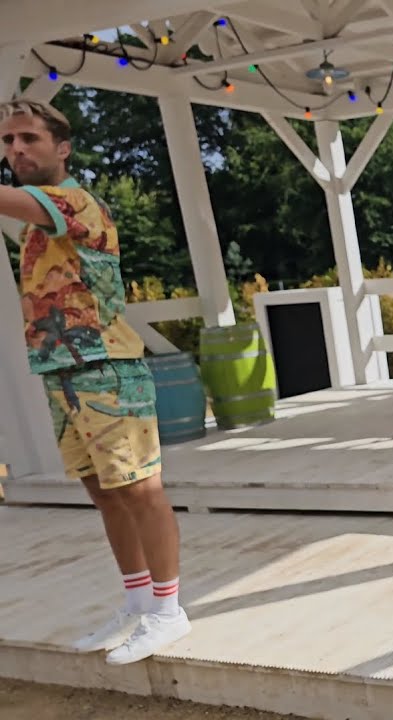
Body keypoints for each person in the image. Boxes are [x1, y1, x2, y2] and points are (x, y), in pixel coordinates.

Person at [0, 99, 191, 664]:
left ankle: (168, 611)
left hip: (107, 366)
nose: (15, 151)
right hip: (66, 370)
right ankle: (137, 603)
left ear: (62, 149)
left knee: (139, 489)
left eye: (28, 138)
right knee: (103, 492)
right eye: (8, 141)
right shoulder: (38, 221)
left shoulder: (70, 201)